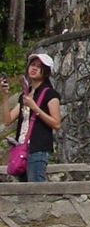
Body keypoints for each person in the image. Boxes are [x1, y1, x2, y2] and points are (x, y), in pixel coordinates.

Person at [2, 53, 62, 182]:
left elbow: (56, 124)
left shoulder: (50, 94)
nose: (34, 68)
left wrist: (35, 108)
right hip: (21, 148)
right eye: (32, 65)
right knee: (23, 191)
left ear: (46, 71)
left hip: (38, 148)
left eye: (39, 67)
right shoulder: (26, 94)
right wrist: (5, 95)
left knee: (35, 189)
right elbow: (7, 120)